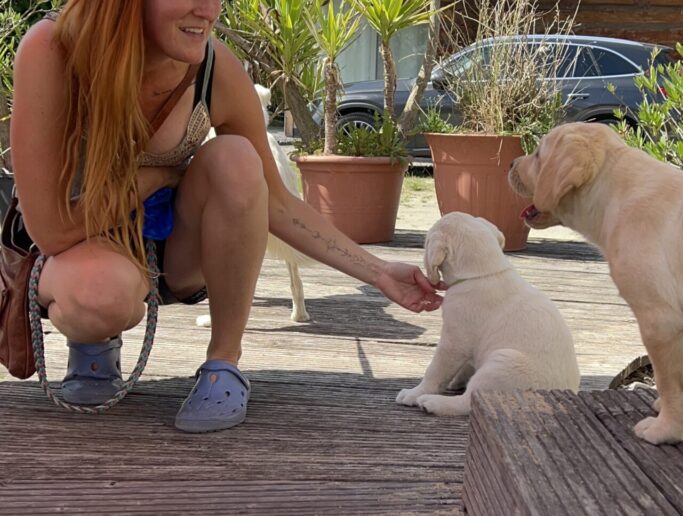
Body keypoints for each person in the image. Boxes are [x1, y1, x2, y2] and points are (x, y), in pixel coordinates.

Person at [10, 0, 443, 432]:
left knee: (236, 158)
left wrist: (379, 271)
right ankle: (93, 347)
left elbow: (274, 201)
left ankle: (224, 361)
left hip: (173, 257)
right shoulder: (55, 49)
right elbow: (51, 229)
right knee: (100, 294)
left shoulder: (214, 68)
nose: (209, 9)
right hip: (73, 252)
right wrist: (163, 172)